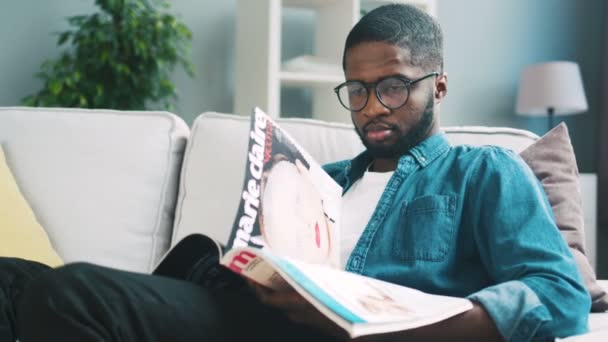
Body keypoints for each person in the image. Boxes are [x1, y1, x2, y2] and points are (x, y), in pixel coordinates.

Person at [0, 3, 590, 341]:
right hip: (249, 314)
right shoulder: (321, 176)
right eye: (355, 91)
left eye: (391, 86)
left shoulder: (483, 171)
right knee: (14, 280)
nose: (372, 108)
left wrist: (402, 325)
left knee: (68, 293)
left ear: (437, 84)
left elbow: (560, 294)